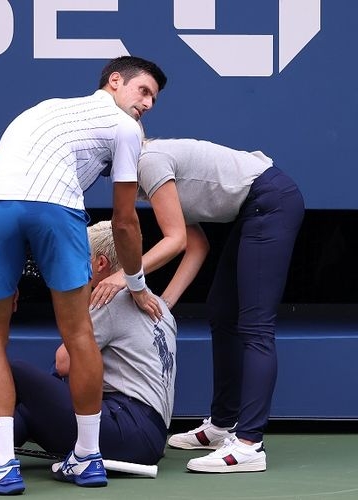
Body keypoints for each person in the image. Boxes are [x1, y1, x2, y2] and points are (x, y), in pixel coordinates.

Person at [0, 55, 167, 495]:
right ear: (114, 82)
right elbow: (125, 223)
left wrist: (7, 274)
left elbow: (15, 188)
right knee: (79, 334)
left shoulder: (42, 109)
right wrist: (137, 283)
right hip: (58, 210)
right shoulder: (126, 128)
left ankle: (0, 465)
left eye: (152, 99)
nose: (146, 104)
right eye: (143, 91)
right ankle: (87, 459)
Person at [0, 220, 177, 482]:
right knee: (26, 409)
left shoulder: (109, 298)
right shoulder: (160, 307)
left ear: (101, 264)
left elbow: (63, 363)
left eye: (79, 258)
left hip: (126, 428)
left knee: (16, 372)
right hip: (147, 438)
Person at [90, 138, 305, 473]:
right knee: (222, 310)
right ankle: (222, 425)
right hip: (256, 206)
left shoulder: (150, 161)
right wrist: (162, 305)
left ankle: (249, 444)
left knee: (256, 326)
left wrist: (126, 279)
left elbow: (175, 241)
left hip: (271, 200)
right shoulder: (144, 176)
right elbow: (197, 244)